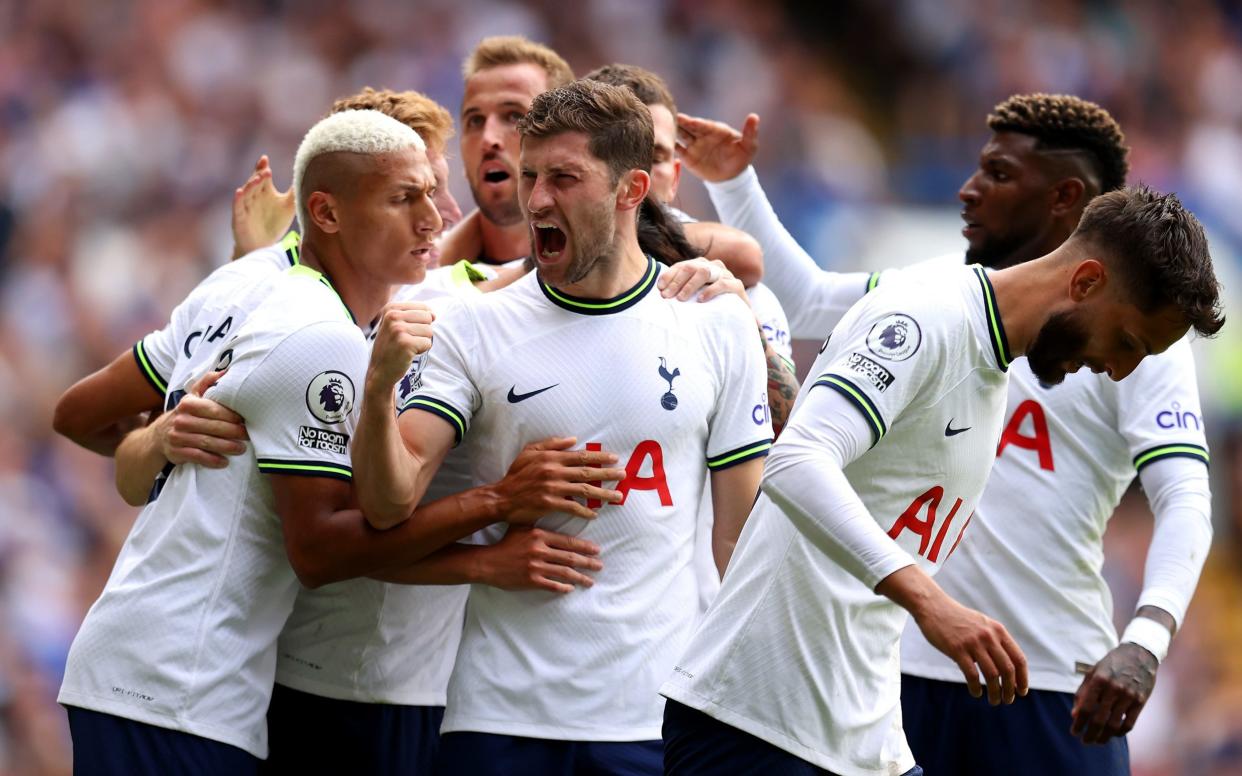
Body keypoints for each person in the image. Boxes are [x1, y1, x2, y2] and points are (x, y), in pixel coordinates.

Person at [675, 94, 1222, 774]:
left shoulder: (1001, 352)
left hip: (1015, 677)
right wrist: (931, 603)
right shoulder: (927, 307)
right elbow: (801, 446)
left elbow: (1187, 498)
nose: (969, 189)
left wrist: (1147, 632)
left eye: (997, 173)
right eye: (1126, 344)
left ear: (1065, 198)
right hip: (816, 694)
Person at [351, 79, 772, 775]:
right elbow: (387, 503)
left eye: (564, 178)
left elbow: (739, 540)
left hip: (654, 715)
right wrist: (378, 388)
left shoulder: (717, 325)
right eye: (530, 177)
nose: (537, 200)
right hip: (498, 717)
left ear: (631, 189)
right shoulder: (471, 327)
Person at [57, 109, 441, 774]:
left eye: (434, 193)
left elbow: (80, 414)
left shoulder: (240, 281)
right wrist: (494, 523)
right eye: (404, 198)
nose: (433, 218)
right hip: (177, 683)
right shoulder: (321, 336)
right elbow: (319, 549)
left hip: (154, 668)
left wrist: (154, 438)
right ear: (325, 211)